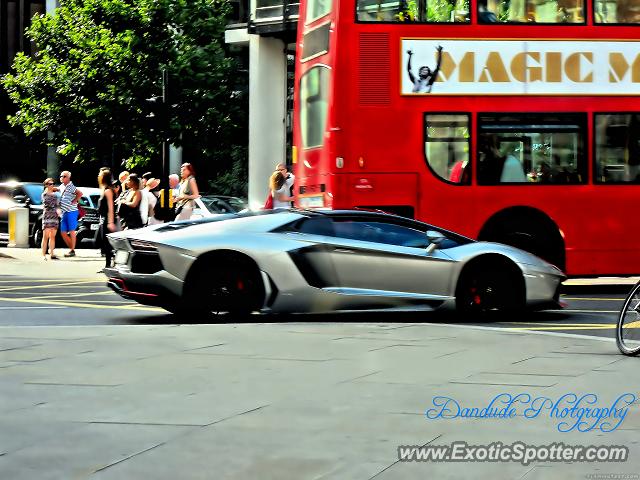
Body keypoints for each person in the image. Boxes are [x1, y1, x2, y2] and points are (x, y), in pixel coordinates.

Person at [58, 170, 83, 257]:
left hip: (71, 211)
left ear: (68, 178)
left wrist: (74, 200)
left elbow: (80, 193)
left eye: (64, 176)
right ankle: (72, 248)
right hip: (64, 212)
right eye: (61, 176)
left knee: (72, 231)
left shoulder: (71, 186)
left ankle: (72, 250)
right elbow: (58, 190)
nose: (62, 178)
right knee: (63, 232)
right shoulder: (62, 186)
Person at [97, 169, 117, 268]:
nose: (98, 176)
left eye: (100, 175)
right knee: (104, 243)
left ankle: (109, 265)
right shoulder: (105, 189)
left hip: (107, 220)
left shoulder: (108, 190)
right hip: (103, 218)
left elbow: (111, 207)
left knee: (107, 244)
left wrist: (111, 222)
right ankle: (108, 264)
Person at [41, 178, 60, 261]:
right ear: (46, 185)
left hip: (54, 217)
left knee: (53, 236)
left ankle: (52, 253)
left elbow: (58, 205)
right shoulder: (44, 194)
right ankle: (43, 255)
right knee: (45, 236)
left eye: (52, 183)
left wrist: (59, 210)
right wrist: (57, 207)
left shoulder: (55, 195)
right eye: (49, 184)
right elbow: (48, 204)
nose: (51, 185)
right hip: (47, 216)